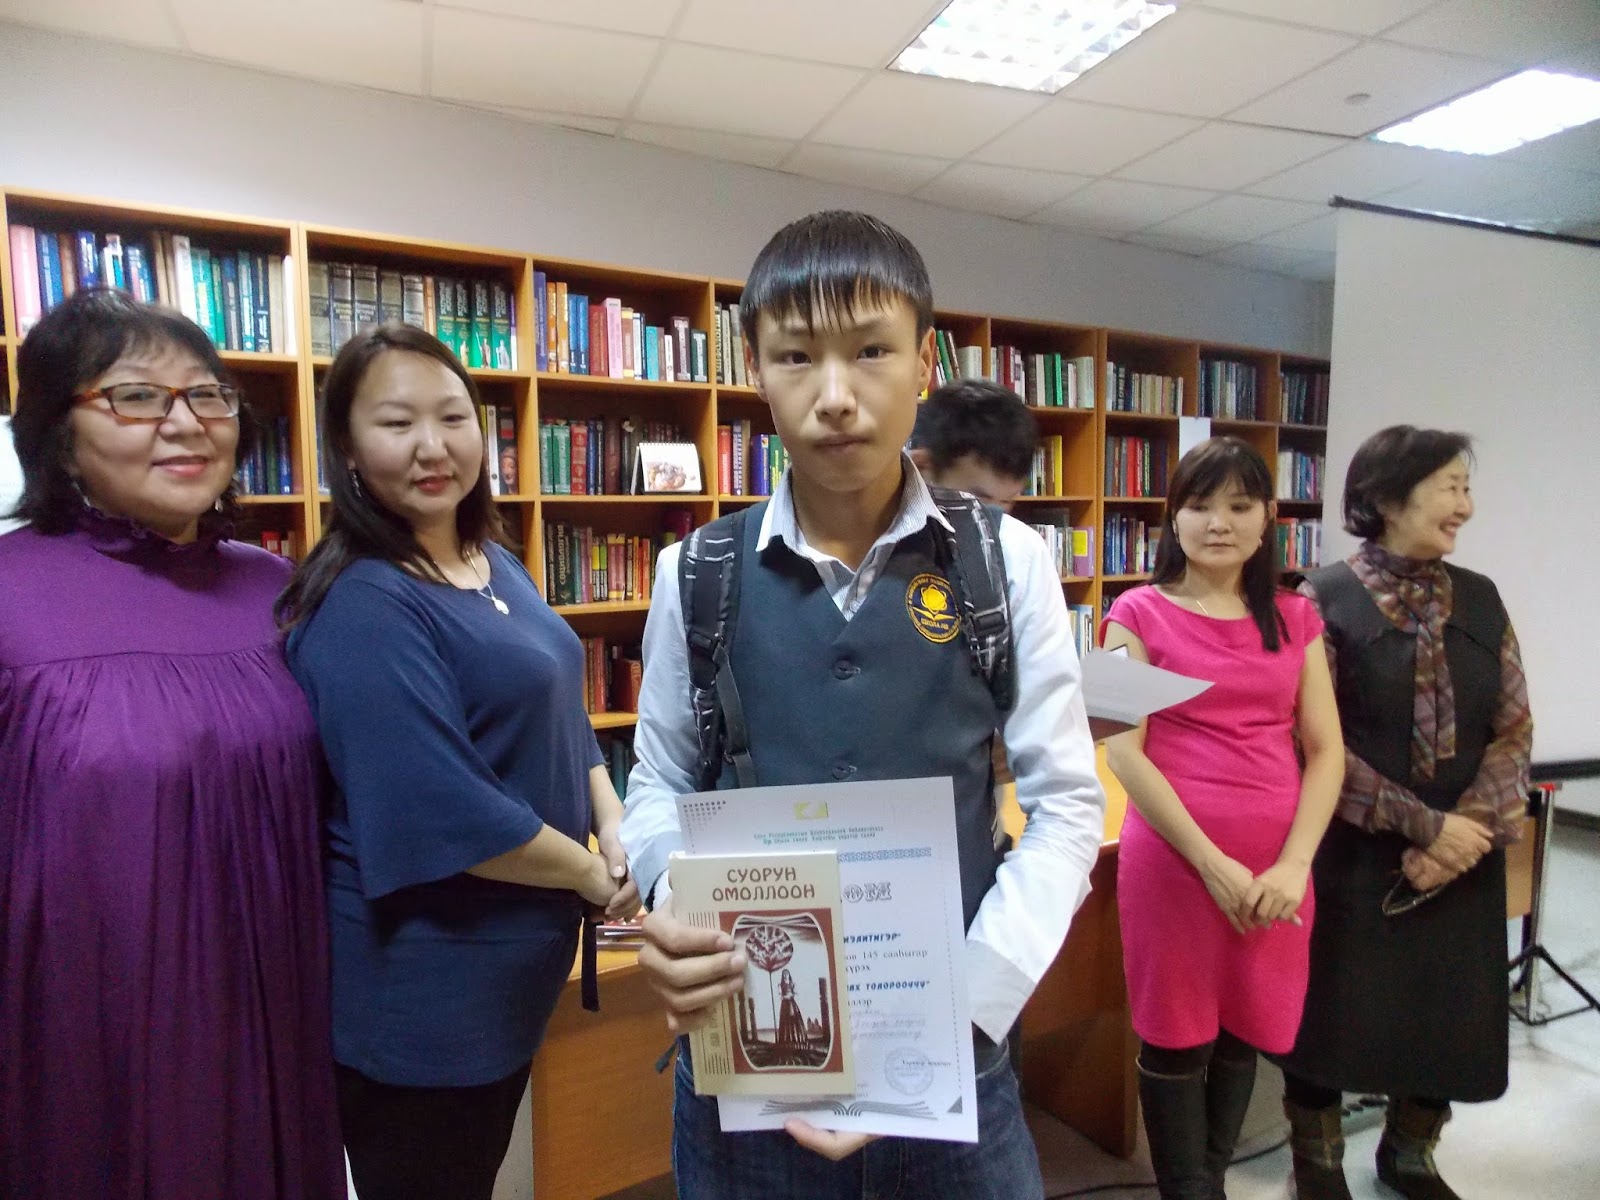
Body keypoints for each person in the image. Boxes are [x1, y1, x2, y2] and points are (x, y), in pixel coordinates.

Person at [619, 210, 1107, 1199]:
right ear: (754, 369)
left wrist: (961, 1012)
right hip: (750, 1062)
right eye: (797, 357)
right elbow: (659, 777)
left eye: (872, 351)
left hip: (957, 1066)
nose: (835, 396)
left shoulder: (1005, 561)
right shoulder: (697, 571)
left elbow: (1065, 807)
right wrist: (675, 906)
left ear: (924, 364)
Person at [278, 323, 639, 1200]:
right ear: (347, 449)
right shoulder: (365, 604)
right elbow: (440, 808)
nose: (432, 447)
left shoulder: (491, 561)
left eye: (452, 417)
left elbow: (559, 704)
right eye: (397, 423)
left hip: (506, 974)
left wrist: (614, 815)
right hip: (426, 999)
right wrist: (591, 876)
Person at [0, 289, 344, 1198]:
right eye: (137, 397)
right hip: (92, 1026)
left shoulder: (278, 589)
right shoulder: (7, 595)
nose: (186, 424)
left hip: (278, 1001)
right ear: (57, 430)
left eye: (207, 395)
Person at [1279, 427, 1531, 1200]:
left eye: (1466, 487)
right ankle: (1317, 1164)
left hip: (1465, 855)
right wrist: (1426, 829)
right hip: (1355, 849)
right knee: (1330, 1016)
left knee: (1448, 1016)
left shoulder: (1482, 597)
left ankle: (1410, 1155)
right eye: (1450, 487)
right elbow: (1309, 740)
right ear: (1388, 498)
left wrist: (1467, 833)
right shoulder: (1322, 599)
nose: (1466, 506)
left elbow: (1514, 726)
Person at [1101, 437, 1345, 1200]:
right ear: (1171, 518)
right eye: (1199, 505)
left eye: (1239, 506)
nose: (1218, 523)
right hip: (1175, 867)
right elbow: (1122, 753)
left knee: (1245, 1028)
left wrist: (1295, 865)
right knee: (1175, 1036)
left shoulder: (1298, 617)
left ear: (1268, 517)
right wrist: (1211, 864)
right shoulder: (1130, 613)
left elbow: (1327, 751)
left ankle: (1209, 1180)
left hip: (1277, 868)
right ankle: (1189, 1189)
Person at [908, 376, 1039, 512]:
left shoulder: (1010, 526)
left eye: (1006, 501)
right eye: (979, 500)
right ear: (920, 467)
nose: (996, 517)